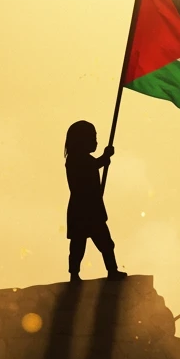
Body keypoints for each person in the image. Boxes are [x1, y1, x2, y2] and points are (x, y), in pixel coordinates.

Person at [64, 120, 127, 282]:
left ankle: (112, 270)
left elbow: (93, 165)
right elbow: (90, 167)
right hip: (83, 210)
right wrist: (105, 157)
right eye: (92, 137)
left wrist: (104, 159)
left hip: (92, 209)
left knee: (105, 243)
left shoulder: (85, 160)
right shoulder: (75, 160)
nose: (95, 141)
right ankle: (74, 273)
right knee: (79, 245)